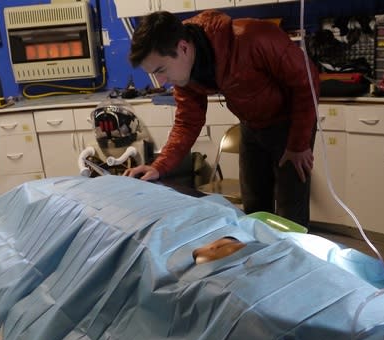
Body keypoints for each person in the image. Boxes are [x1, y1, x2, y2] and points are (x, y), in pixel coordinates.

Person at [124, 10, 320, 227]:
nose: (161, 81)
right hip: (251, 126)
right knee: (254, 208)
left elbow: (307, 81)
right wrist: (158, 167)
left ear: (183, 48)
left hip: (290, 126)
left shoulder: (252, 38)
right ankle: (261, 259)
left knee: (289, 213)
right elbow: (187, 122)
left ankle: (295, 258)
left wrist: (299, 144)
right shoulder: (184, 73)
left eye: (161, 70)